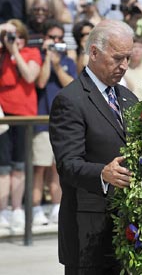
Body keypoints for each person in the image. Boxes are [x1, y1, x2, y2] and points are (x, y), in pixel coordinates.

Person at [49, 19, 138, 274]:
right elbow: (68, 164)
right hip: (87, 231)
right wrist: (102, 174)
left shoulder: (128, 98)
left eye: (128, 58)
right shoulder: (70, 100)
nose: (123, 66)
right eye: (117, 58)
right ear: (95, 53)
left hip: (127, 231)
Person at [32, 19, 78, 226]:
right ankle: (34, 209)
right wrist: (47, 60)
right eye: (52, 37)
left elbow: (71, 85)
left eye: (60, 38)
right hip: (42, 120)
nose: (56, 41)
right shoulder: (39, 57)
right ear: (45, 38)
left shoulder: (67, 61)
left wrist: (58, 64)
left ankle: (56, 208)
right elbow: (41, 81)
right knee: (40, 167)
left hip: (63, 123)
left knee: (58, 168)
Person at [0, 19, 42, 230]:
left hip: (24, 116)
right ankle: (3, 210)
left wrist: (14, 51)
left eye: (16, 35)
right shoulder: (1, 54)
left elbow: (30, 76)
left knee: (19, 165)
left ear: (23, 38)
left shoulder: (30, 53)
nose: (11, 39)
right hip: (3, 117)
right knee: (3, 167)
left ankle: (16, 208)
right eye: (9, 36)